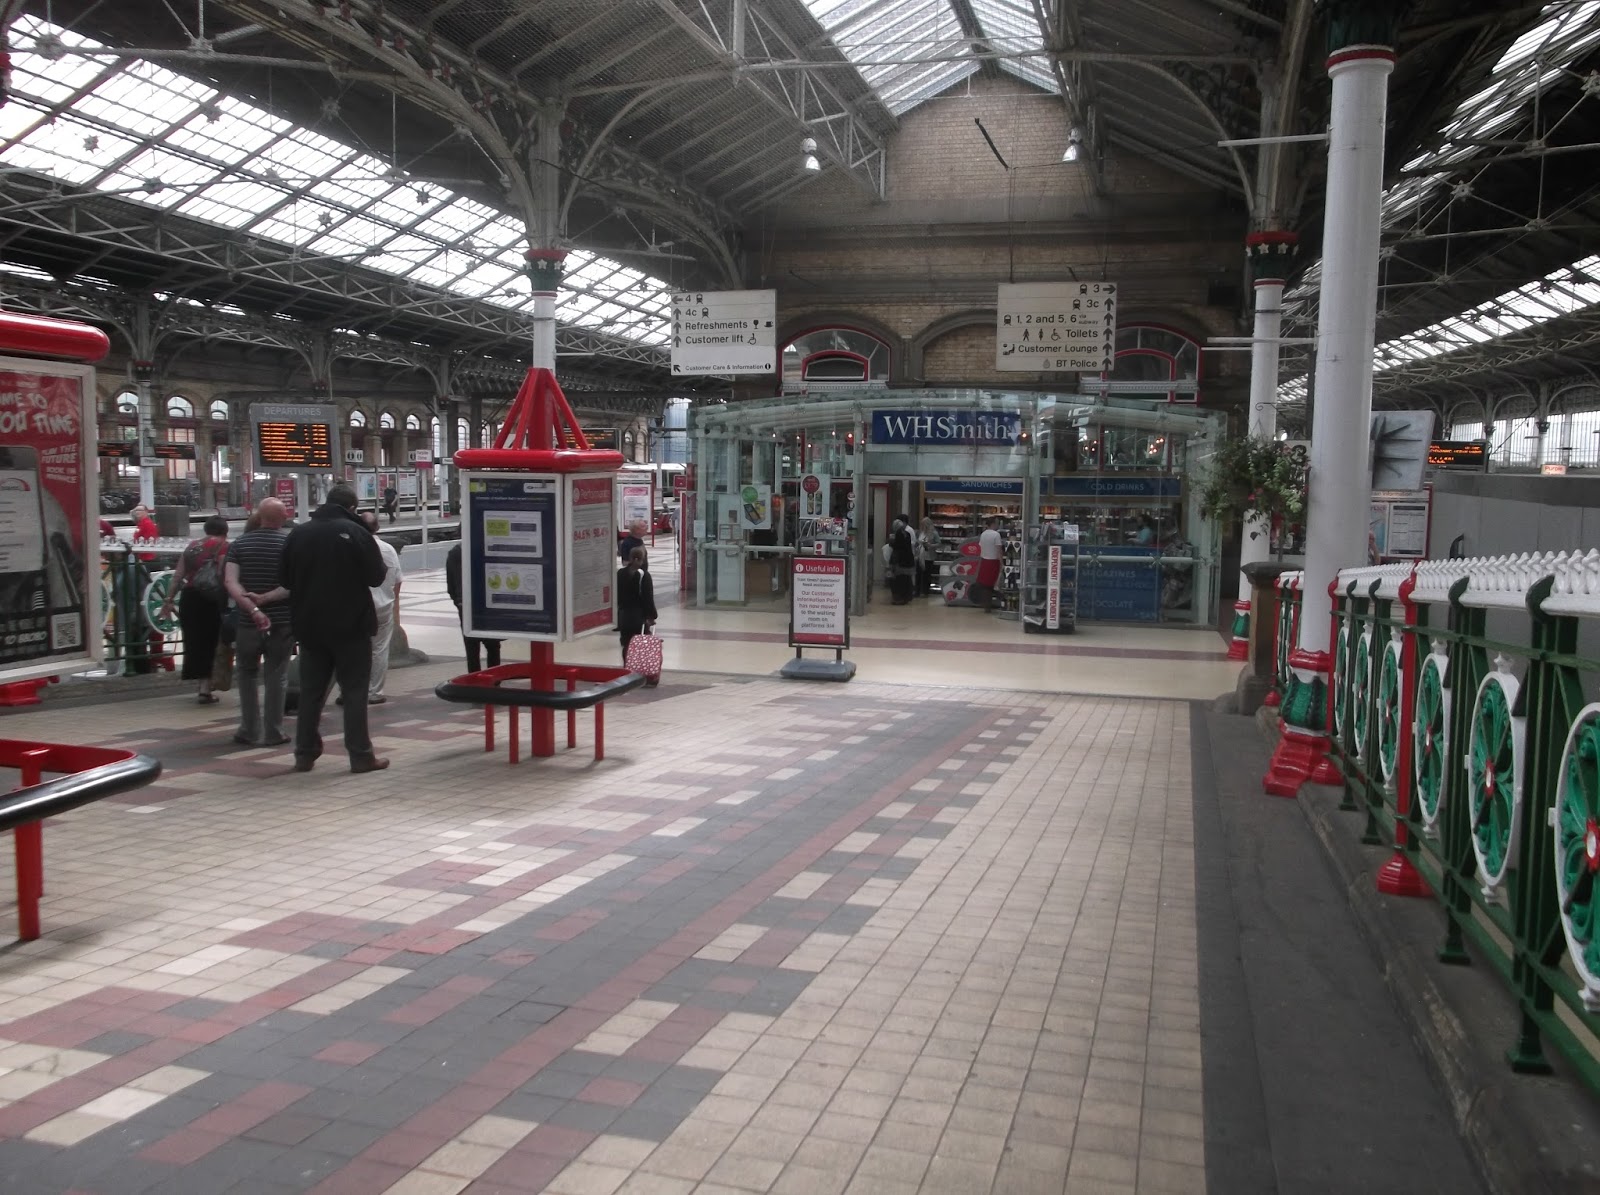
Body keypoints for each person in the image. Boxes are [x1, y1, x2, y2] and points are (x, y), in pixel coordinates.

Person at [279, 484, 388, 773]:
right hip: (351, 625)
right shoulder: (356, 533)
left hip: (310, 625)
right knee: (354, 691)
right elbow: (376, 577)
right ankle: (361, 755)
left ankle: (304, 754)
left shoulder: (299, 533)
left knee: (311, 692)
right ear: (352, 508)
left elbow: (285, 580)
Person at [226, 498, 293, 747]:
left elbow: (231, 582)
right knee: (277, 675)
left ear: (259, 516)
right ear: (283, 517)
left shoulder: (239, 544)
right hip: (282, 622)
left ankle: (249, 730)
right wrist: (266, 598)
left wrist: (254, 609)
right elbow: (294, 584)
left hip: (247, 622)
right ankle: (274, 731)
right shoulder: (290, 545)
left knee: (246, 673)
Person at [158, 514, 229, 703]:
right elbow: (223, 575)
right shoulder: (223, 546)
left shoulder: (191, 546)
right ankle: (205, 689)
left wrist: (168, 599)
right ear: (224, 530)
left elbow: (178, 575)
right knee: (211, 642)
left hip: (189, 598)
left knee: (195, 642)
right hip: (211, 599)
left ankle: (202, 685)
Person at [358, 511, 401, 705]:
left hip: (359, 607)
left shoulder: (354, 546)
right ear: (377, 527)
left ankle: (351, 690)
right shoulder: (388, 549)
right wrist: (393, 601)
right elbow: (398, 580)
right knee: (380, 650)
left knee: (355, 649)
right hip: (383, 606)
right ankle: (375, 692)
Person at [445, 541, 502, 672]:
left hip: (465, 605)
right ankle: (494, 678)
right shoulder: (488, 547)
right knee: (493, 646)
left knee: (471, 648)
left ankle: (474, 678)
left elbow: (450, 584)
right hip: (488, 604)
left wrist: (459, 602)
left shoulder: (456, 552)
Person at [616, 546, 658, 681]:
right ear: (642, 559)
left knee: (626, 644)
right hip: (639, 617)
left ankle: (627, 670)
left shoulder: (620, 573)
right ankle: (640, 672)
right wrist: (652, 616)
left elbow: (616, 595)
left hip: (623, 615)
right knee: (640, 645)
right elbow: (648, 598)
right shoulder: (644, 575)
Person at [974, 516, 1003, 611]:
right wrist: (1002, 563)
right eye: (997, 523)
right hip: (993, 562)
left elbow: (981, 548)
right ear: (993, 524)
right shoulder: (996, 535)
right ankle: (1001, 600)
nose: (998, 525)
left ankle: (986, 605)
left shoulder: (983, 534)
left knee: (985, 585)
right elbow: (999, 550)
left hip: (984, 561)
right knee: (993, 584)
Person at [888, 517, 917, 605]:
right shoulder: (907, 533)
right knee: (907, 579)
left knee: (898, 580)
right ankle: (906, 597)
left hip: (900, 560)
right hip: (908, 559)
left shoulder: (898, 534)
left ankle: (899, 598)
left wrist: (891, 541)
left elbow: (897, 546)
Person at [917, 515, 941, 595]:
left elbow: (939, 543)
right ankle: (919, 590)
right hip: (920, 555)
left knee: (927, 574)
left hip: (929, 556)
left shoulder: (934, 533)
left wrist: (930, 545)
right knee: (919, 573)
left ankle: (925, 590)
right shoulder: (921, 532)